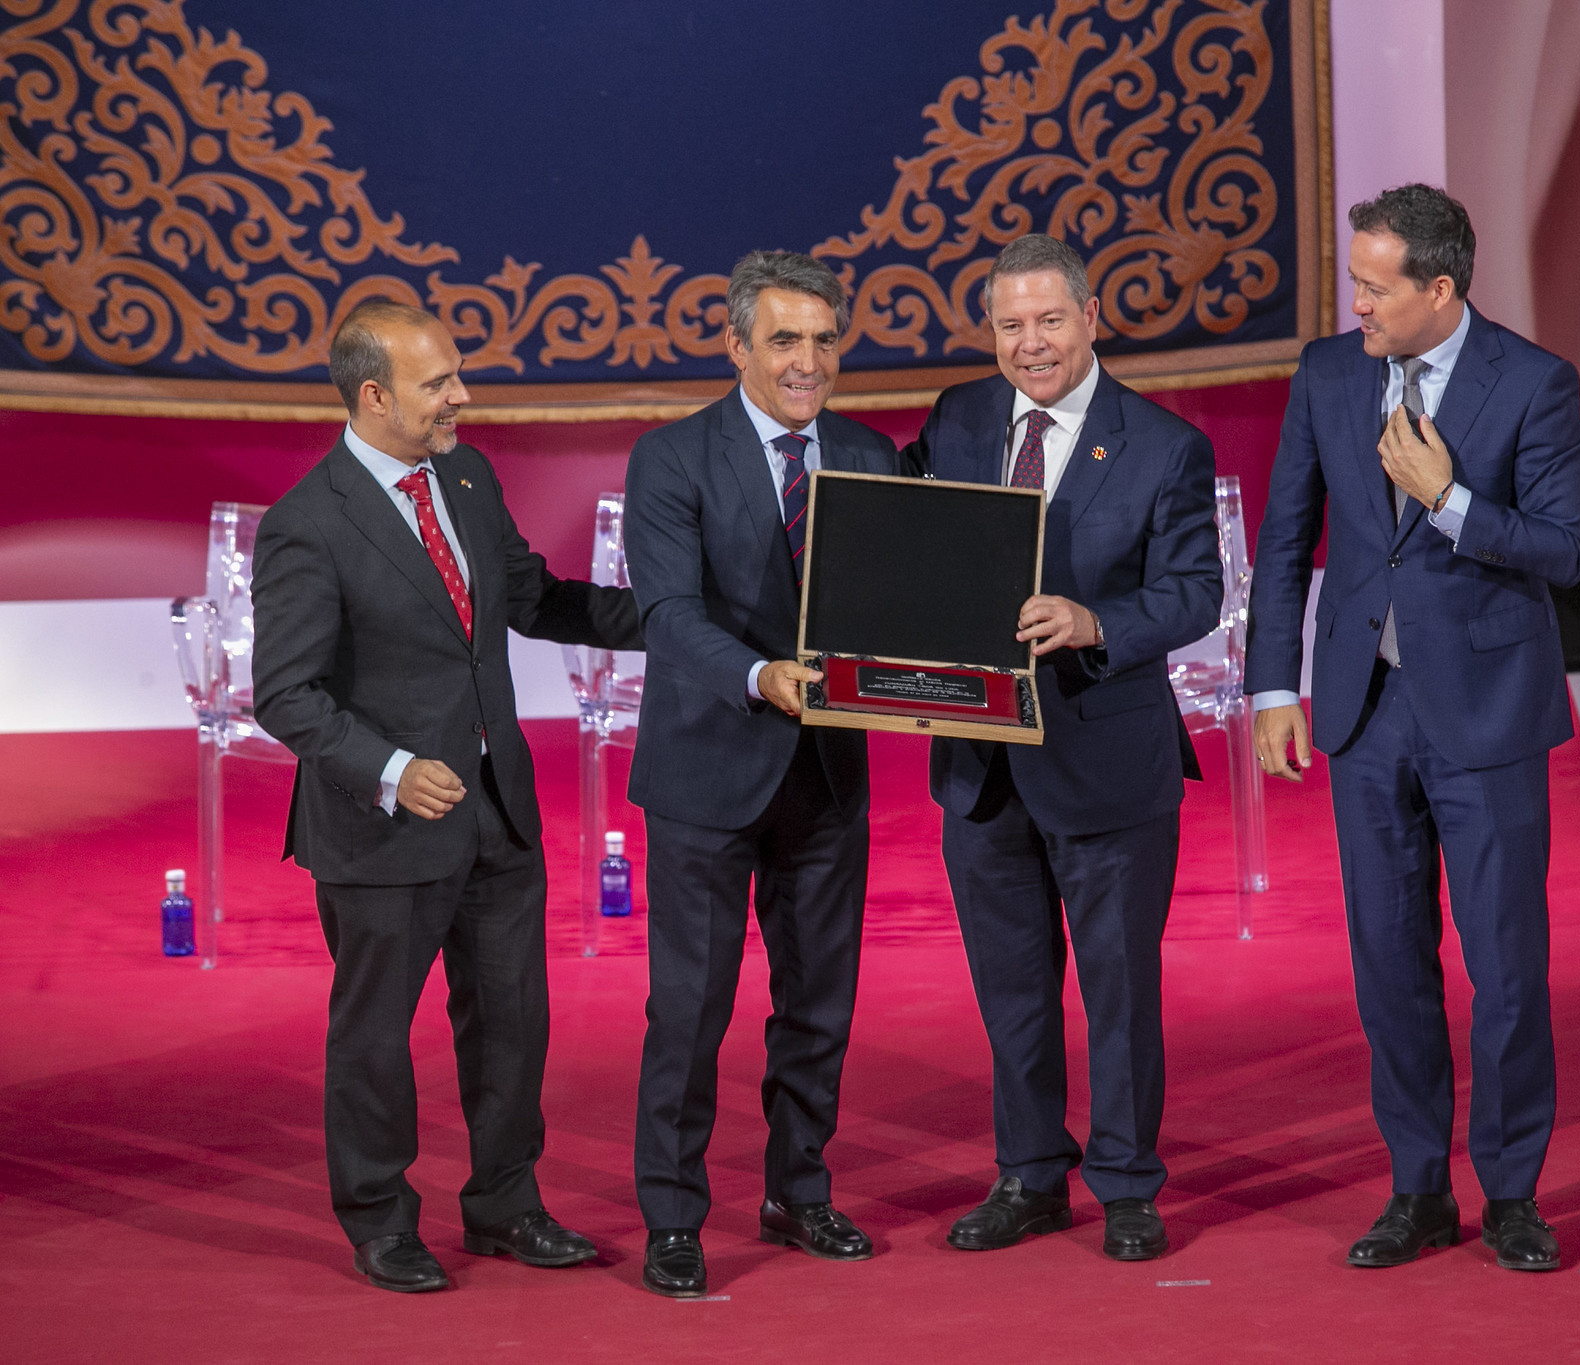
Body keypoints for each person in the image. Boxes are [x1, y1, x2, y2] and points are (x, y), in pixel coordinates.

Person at [251, 301, 643, 1293]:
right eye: (438, 383)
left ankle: (506, 1205)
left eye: (456, 373)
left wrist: (675, 619)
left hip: (497, 812)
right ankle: (380, 1220)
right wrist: (389, 769)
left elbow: (534, 598)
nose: (460, 396)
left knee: (512, 1025)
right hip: (382, 829)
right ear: (373, 396)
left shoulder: (465, 479)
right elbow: (285, 694)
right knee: (375, 1038)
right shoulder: (308, 522)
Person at [1245, 184, 1580, 1272]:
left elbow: (1564, 550)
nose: (1355, 303)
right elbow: (1286, 538)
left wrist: (1448, 501)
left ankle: (1512, 1194)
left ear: (1439, 289)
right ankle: (1416, 1188)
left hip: (1485, 714)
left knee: (1505, 967)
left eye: (1373, 286)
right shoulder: (1327, 373)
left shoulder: (1532, 382)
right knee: (1388, 964)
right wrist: (1271, 688)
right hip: (1364, 711)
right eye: (1353, 281)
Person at [903, 234, 1223, 1262]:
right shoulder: (957, 418)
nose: (1030, 344)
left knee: (1117, 991)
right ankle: (1030, 1174)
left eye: (1048, 320)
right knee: (1011, 992)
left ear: (1091, 318)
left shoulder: (1163, 446)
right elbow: (905, 532)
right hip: (980, 766)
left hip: (1106, 760)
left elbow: (1195, 593)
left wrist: (1096, 624)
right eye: (1010, 325)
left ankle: (1126, 1183)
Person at [624, 250, 902, 1298]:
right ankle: (672, 1218)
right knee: (689, 1009)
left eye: (825, 340)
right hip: (707, 772)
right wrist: (757, 676)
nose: (807, 362)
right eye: (784, 340)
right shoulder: (671, 458)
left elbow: (906, 603)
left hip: (827, 776)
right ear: (737, 345)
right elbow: (666, 616)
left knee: (818, 1003)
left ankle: (799, 1191)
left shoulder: (871, 455)